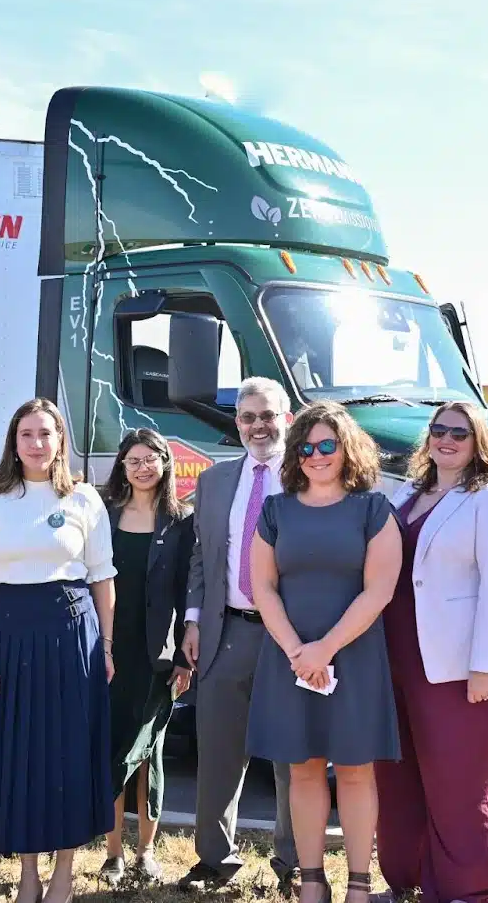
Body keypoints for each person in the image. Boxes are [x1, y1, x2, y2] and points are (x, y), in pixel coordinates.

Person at [0, 397, 115, 903]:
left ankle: (64, 872)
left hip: (71, 637)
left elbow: (103, 579)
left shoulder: (85, 499)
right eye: (27, 434)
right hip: (8, 637)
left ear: (60, 439)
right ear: (13, 442)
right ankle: (27, 876)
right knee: (19, 754)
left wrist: (106, 646)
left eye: (46, 433)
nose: (37, 443)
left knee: (66, 754)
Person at [247, 401, 403, 903]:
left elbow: (379, 591)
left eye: (327, 445)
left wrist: (326, 648)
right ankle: (312, 879)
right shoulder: (276, 509)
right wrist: (299, 651)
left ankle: (359, 881)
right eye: (307, 447)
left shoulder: (374, 510)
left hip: (353, 657)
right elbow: (262, 587)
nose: (316, 455)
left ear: (347, 448)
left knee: (356, 770)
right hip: (290, 658)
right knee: (303, 767)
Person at [375, 402, 488, 903]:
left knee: (461, 780)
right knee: (400, 776)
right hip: (397, 653)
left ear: (478, 440)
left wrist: (485, 666)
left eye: (459, 432)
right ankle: (407, 878)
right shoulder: (407, 491)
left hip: (461, 664)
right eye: (438, 430)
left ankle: (469, 888)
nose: (447, 439)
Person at [179, 376, 297, 892]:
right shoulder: (215, 480)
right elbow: (204, 556)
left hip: (291, 638)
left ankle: (294, 865)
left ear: (286, 418)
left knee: (295, 758)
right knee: (219, 753)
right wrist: (193, 620)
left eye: (267, 415)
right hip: (228, 633)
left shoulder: (308, 475)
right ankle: (214, 861)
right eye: (247, 417)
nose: (257, 426)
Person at [98, 429, 196, 886]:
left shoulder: (182, 520)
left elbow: (187, 590)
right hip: (110, 650)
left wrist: (183, 656)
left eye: (151, 458)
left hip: (159, 653)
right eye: (133, 460)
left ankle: (147, 852)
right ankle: (113, 852)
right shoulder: (104, 514)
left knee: (148, 750)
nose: (142, 467)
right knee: (114, 743)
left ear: (164, 462)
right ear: (122, 466)